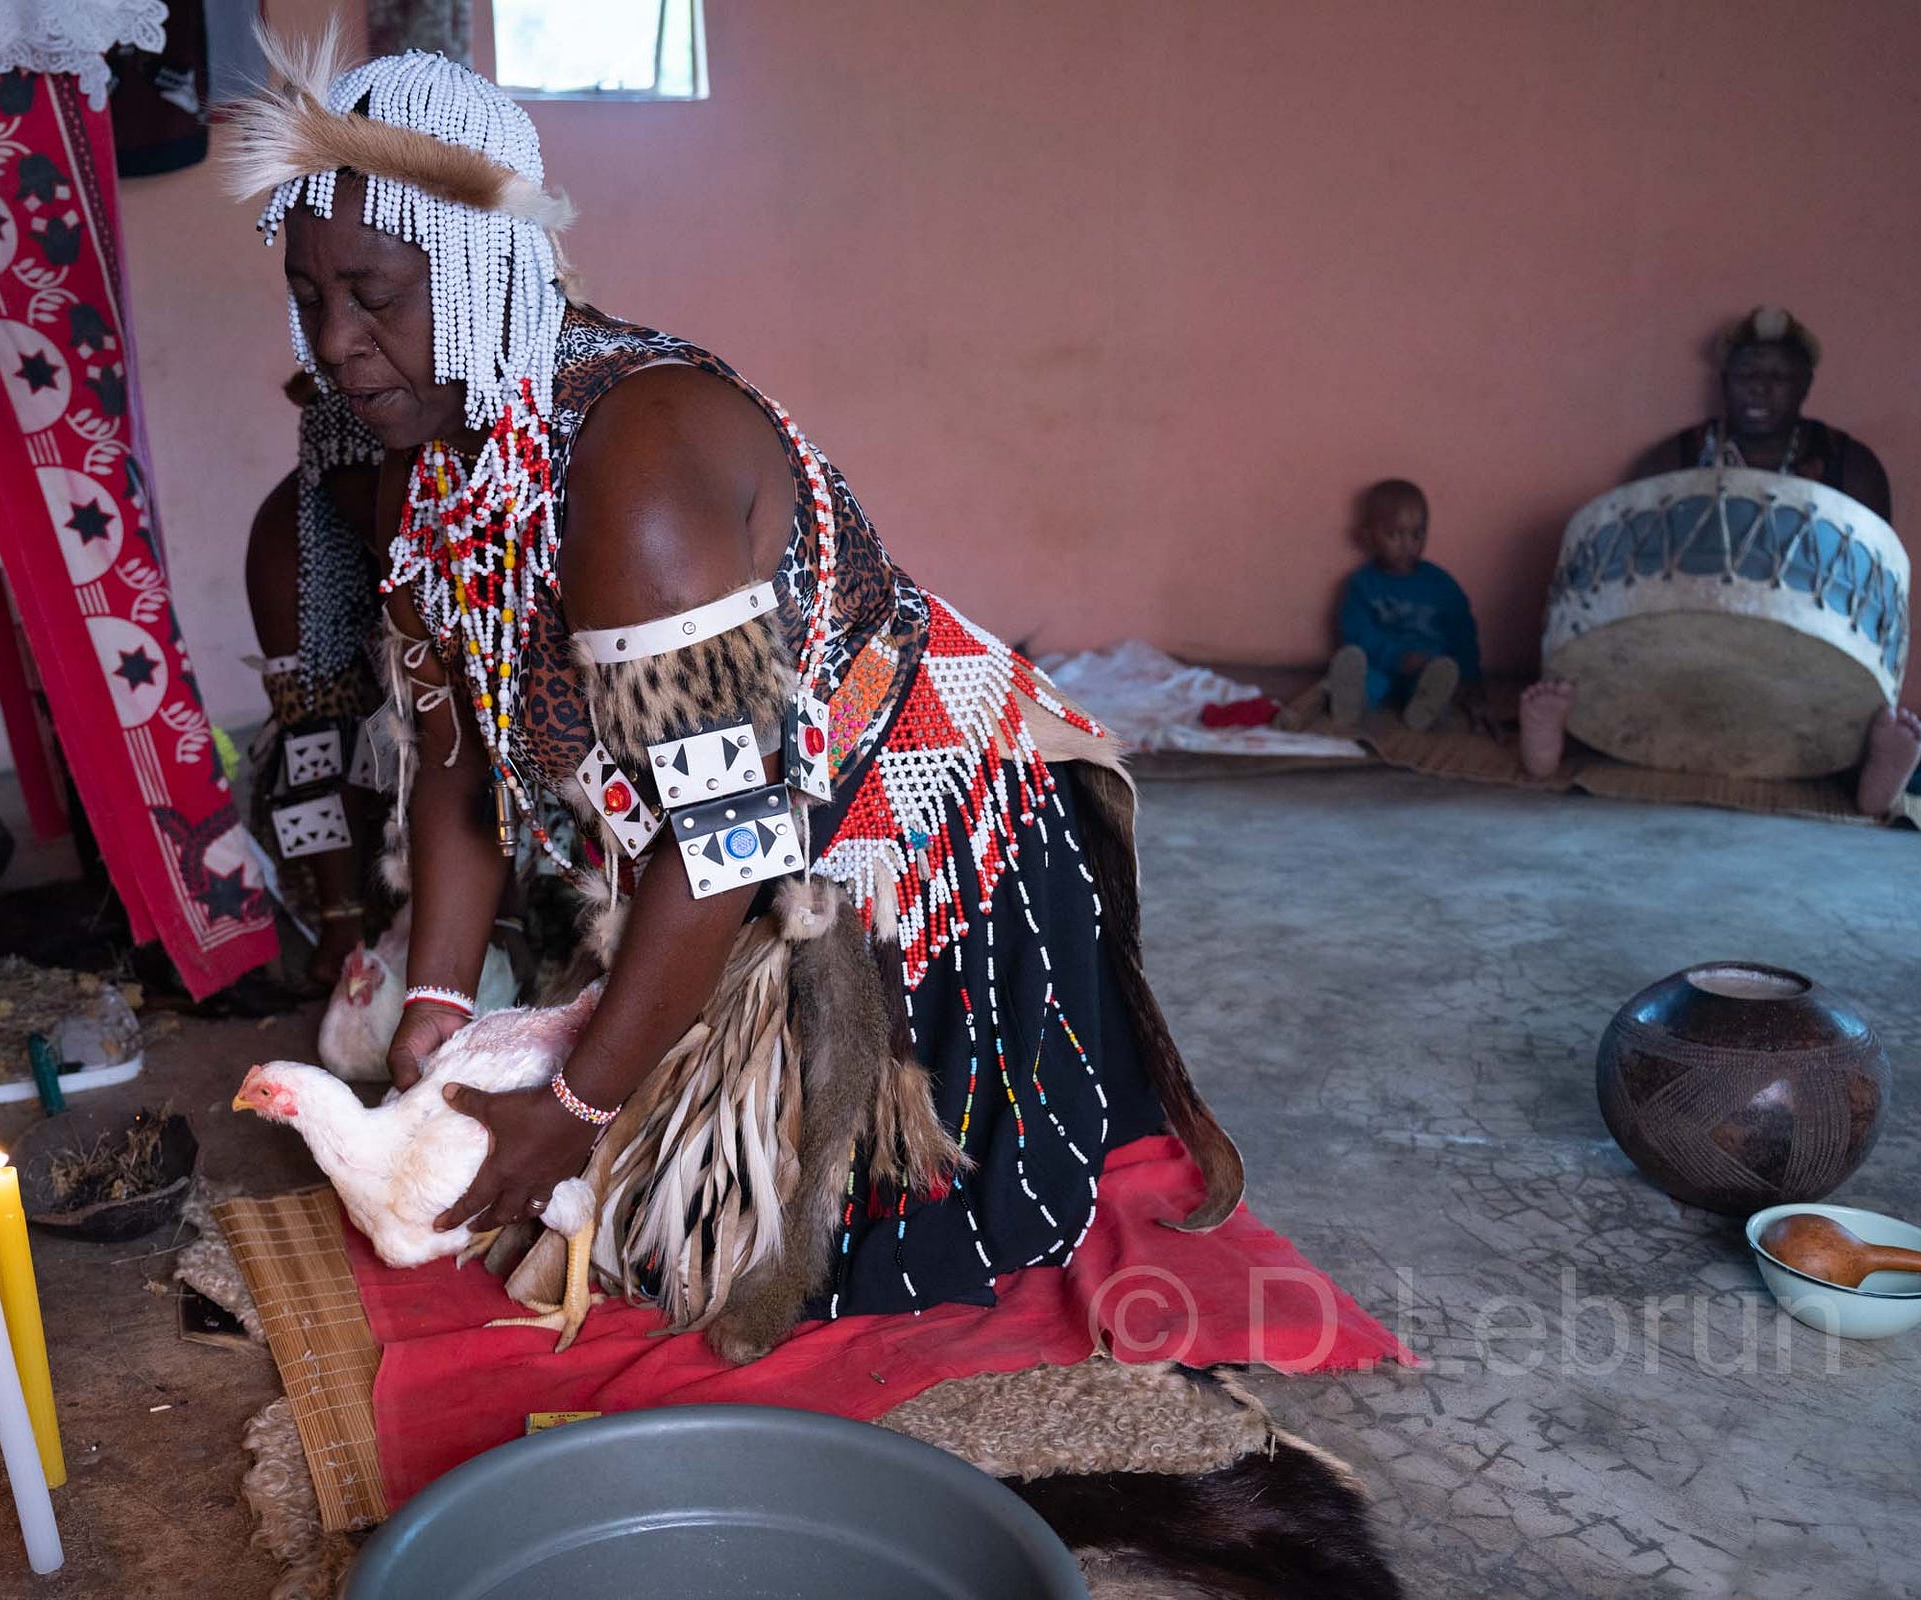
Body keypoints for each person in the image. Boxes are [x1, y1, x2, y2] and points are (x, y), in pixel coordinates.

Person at [225, 41, 1241, 1363]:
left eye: (372, 296)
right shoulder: (418, 465)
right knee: (543, 1188)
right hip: (721, 845)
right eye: (310, 298)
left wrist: (575, 1116)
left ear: (488, 267)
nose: (338, 346)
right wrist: (434, 1005)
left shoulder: (634, 469)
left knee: (720, 1255)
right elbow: (457, 763)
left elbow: (728, 844)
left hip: (892, 849)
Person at [1520, 307, 1921, 813]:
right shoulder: (1671, 459)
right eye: (1748, 374)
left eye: (1779, 377)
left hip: (1804, 651)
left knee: (1843, 707)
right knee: (1608, 682)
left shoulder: (1852, 464)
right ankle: (1552, 733)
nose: (1761, 387)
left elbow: (1875, 582)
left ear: (1805, 385)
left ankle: (1876, 770)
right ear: (1724, 381)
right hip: (1680, 638)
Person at [242, 375, 391, 987]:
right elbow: (314, 758)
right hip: (327, 660)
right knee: (321, 753)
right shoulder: (293, 535)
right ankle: (339, 926)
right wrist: (341, 918)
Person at [1278, 479, 1482, 732]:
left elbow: (1462, 630)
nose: (1407, 544)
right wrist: (1395, 657)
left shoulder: (1442, 586)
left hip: (1426, 665)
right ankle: (1351, 704)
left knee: (1435, 678)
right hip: (1380, 663)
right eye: (1394, 534)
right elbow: (1356, 632)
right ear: (1368, 536)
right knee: (1365, 676)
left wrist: (1470, 675)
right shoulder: (1363, 585)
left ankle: (1425, 711)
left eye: (1417, 534)